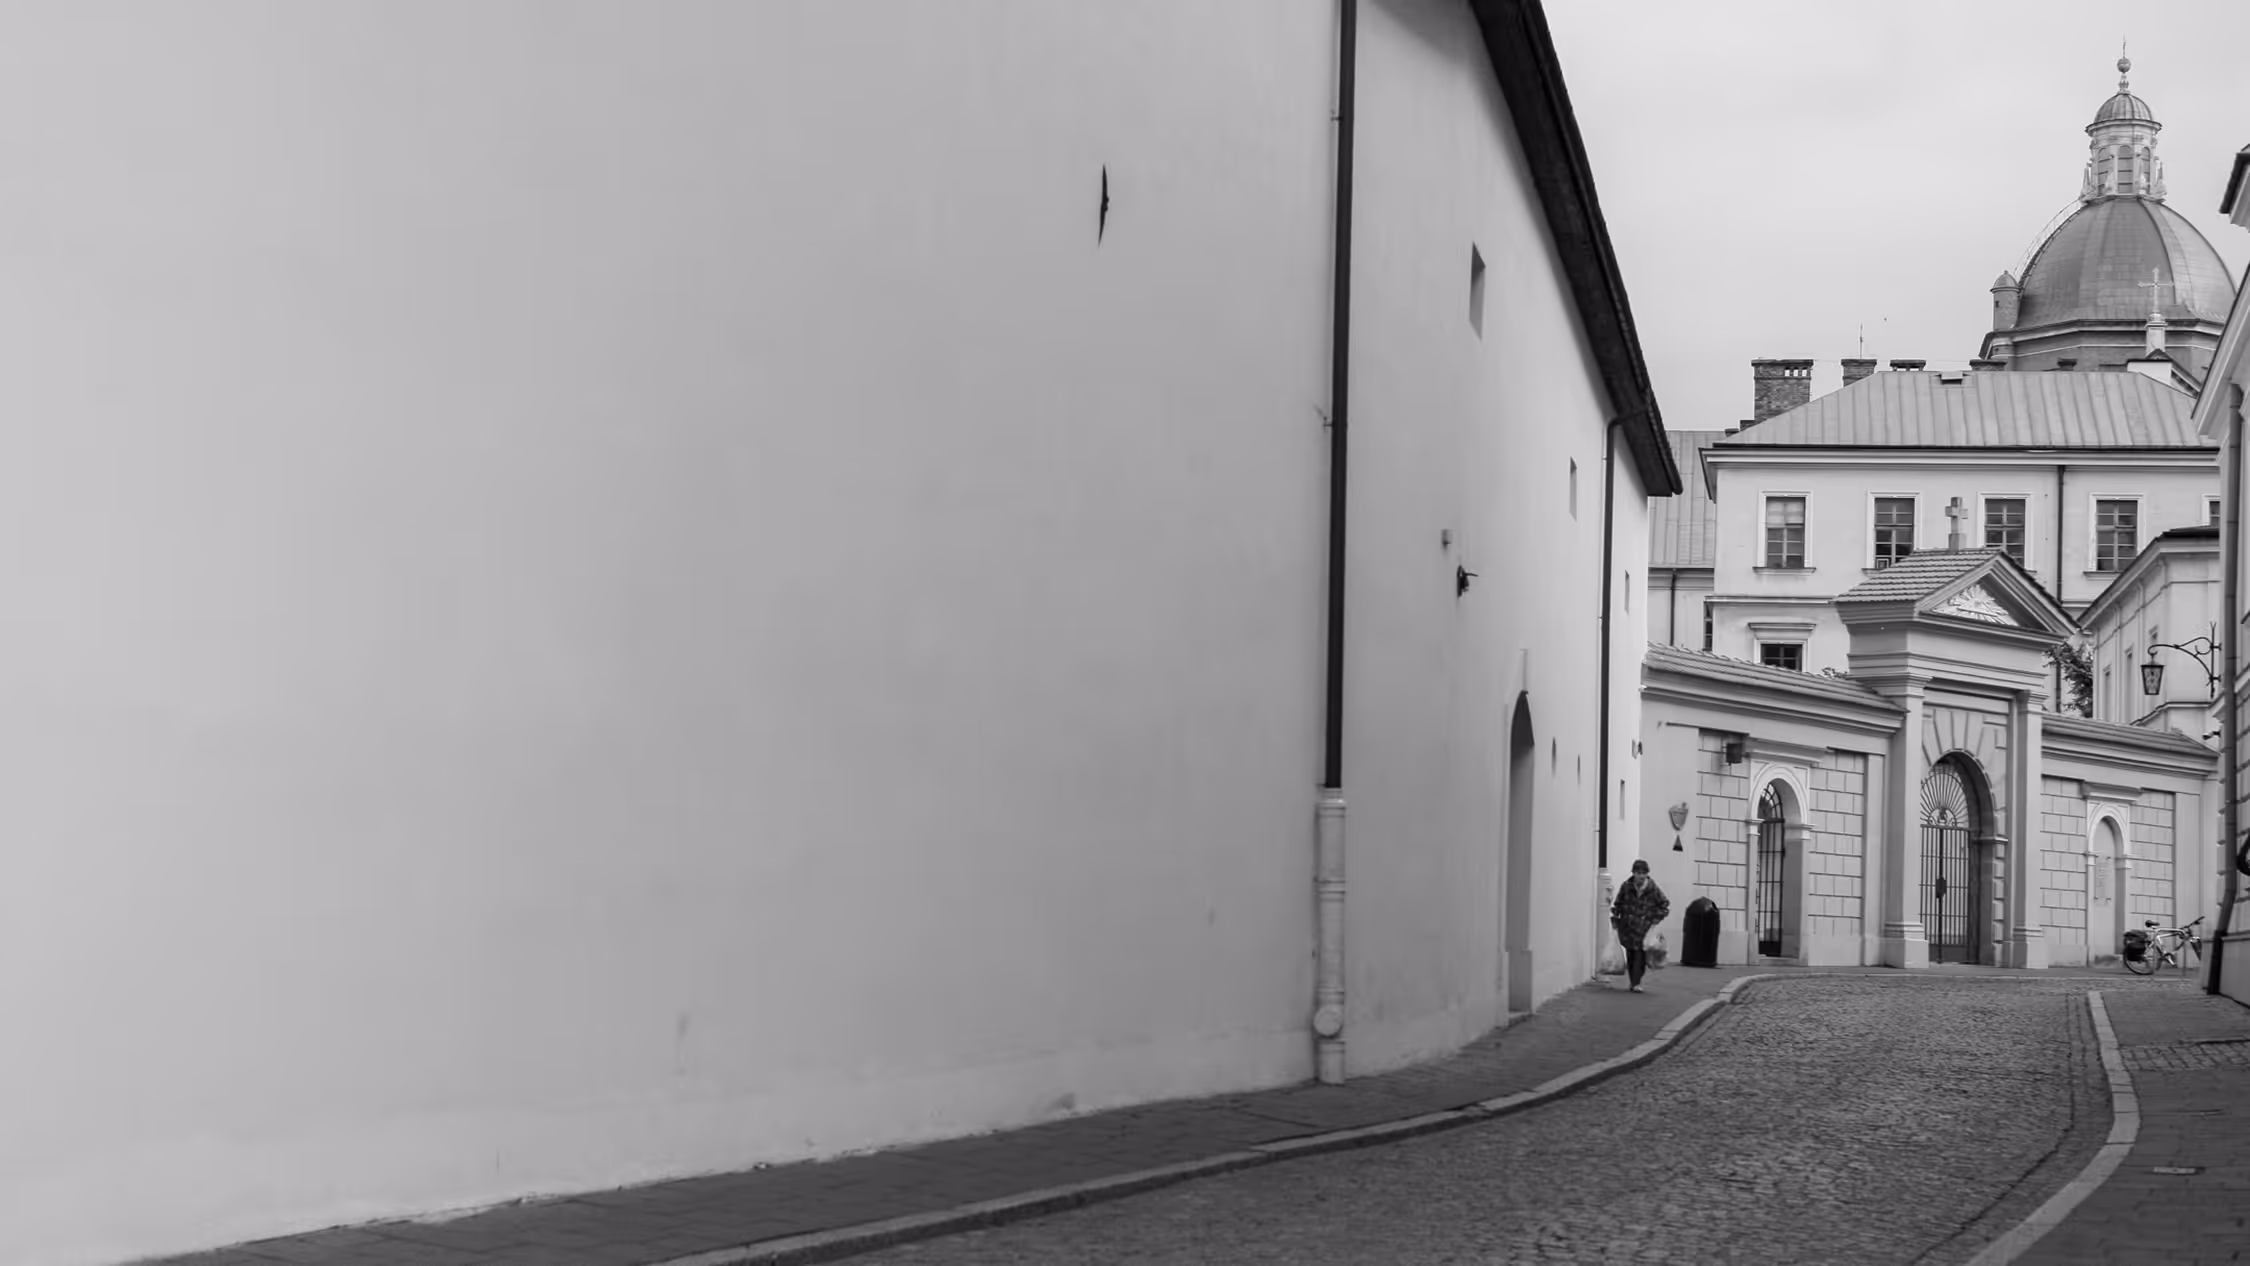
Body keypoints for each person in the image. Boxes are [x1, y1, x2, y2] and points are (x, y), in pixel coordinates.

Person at [1611, 859, 1670, 993]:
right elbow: (1618, 903)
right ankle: (1633, 981)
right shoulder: (1626, 886)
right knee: (1631, 954)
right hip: (1628, 927)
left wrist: (1656, 918)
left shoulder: (1652, 888)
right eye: (1638, 873)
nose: (1641, 876)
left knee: (1640, 956)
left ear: (1647, 874)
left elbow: (1664, 904)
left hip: (1644, 928)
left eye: (1643, 873)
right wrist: (1615, 917)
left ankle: (1636, 982)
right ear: (1633, 873)